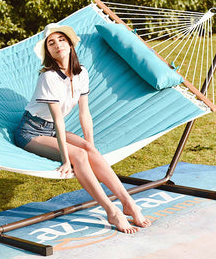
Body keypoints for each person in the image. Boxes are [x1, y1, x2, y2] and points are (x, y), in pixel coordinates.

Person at [14, 23, 151, 233]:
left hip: (50, 130)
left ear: (70, 44)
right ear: (48, 52)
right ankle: (111, 211)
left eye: (61, 40)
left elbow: (84, 113)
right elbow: (59, 120)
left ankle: (128, 202)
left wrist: (91, 148)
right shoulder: (48, 77)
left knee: (88, 149)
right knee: (78, 155)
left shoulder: (82, 73)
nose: (57, 44)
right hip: (31, 132)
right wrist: (67, 160)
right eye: (51, 43)